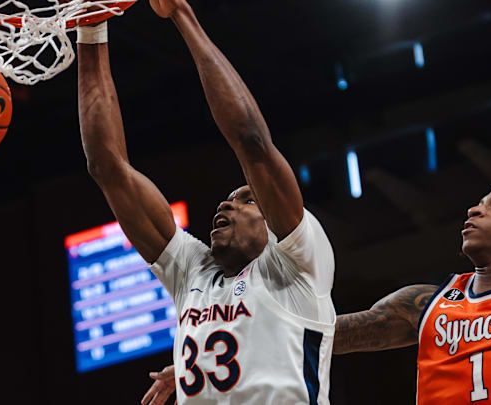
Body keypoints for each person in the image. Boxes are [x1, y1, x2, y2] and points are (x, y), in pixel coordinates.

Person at [75, 0, 336, 403]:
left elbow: (252, 141)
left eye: (246, 200)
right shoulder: (194, 273)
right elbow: (108, 167)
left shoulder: (299, 261)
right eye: (227, 200)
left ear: (275, 223)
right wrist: (91, 29)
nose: (226, 205)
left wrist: (181, 13)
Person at [142, 180, 491, 405]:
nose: (475, 209)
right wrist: (204, 358)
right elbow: (310, 334)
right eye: (481, 202)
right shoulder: (426, 303)